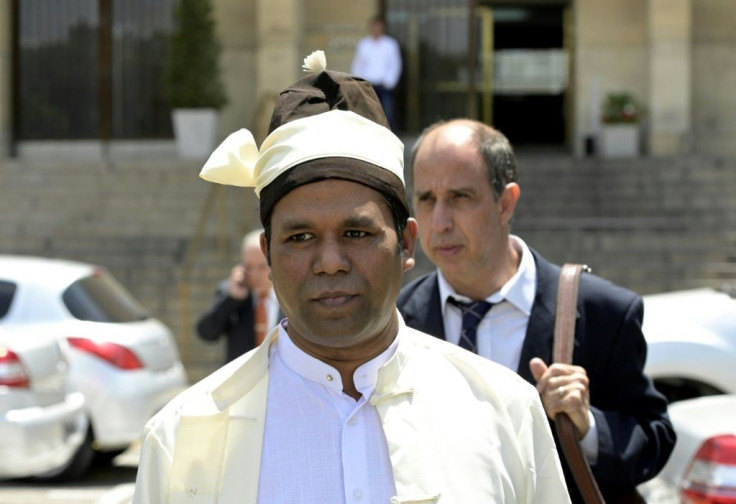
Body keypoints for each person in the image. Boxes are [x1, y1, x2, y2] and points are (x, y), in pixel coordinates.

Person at [132, 52, 571, 504]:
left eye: (357, 233)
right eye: (300, 237)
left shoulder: (504, 411)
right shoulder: (184, 438)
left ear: (406, 245)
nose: (330, 262)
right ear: (267, 254)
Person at [397, 118, 677, 503]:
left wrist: (587, 426)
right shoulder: (396, 320)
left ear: (506, 202)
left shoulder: (601, 311)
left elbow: (653, 439)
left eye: (460, 197)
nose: (440, 222)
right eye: (426, 199)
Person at [196, 229, 281, 363]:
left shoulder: (290, 295)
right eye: (249, 267)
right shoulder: (231, 293)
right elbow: (207, 333)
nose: (255, 274)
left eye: (262, 267)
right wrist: (231, 299)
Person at [351, 15, 402, 132]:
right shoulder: (364, 44)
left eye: (378, 26)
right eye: (374, 26)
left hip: (384, 86)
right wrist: (359, 82)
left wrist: (390, 82)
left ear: (382, 27)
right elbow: (358, 64)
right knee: (367, 115)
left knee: (387, 116)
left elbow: (395, 64)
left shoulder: (390, 44)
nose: (376, 29)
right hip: (368, 86)